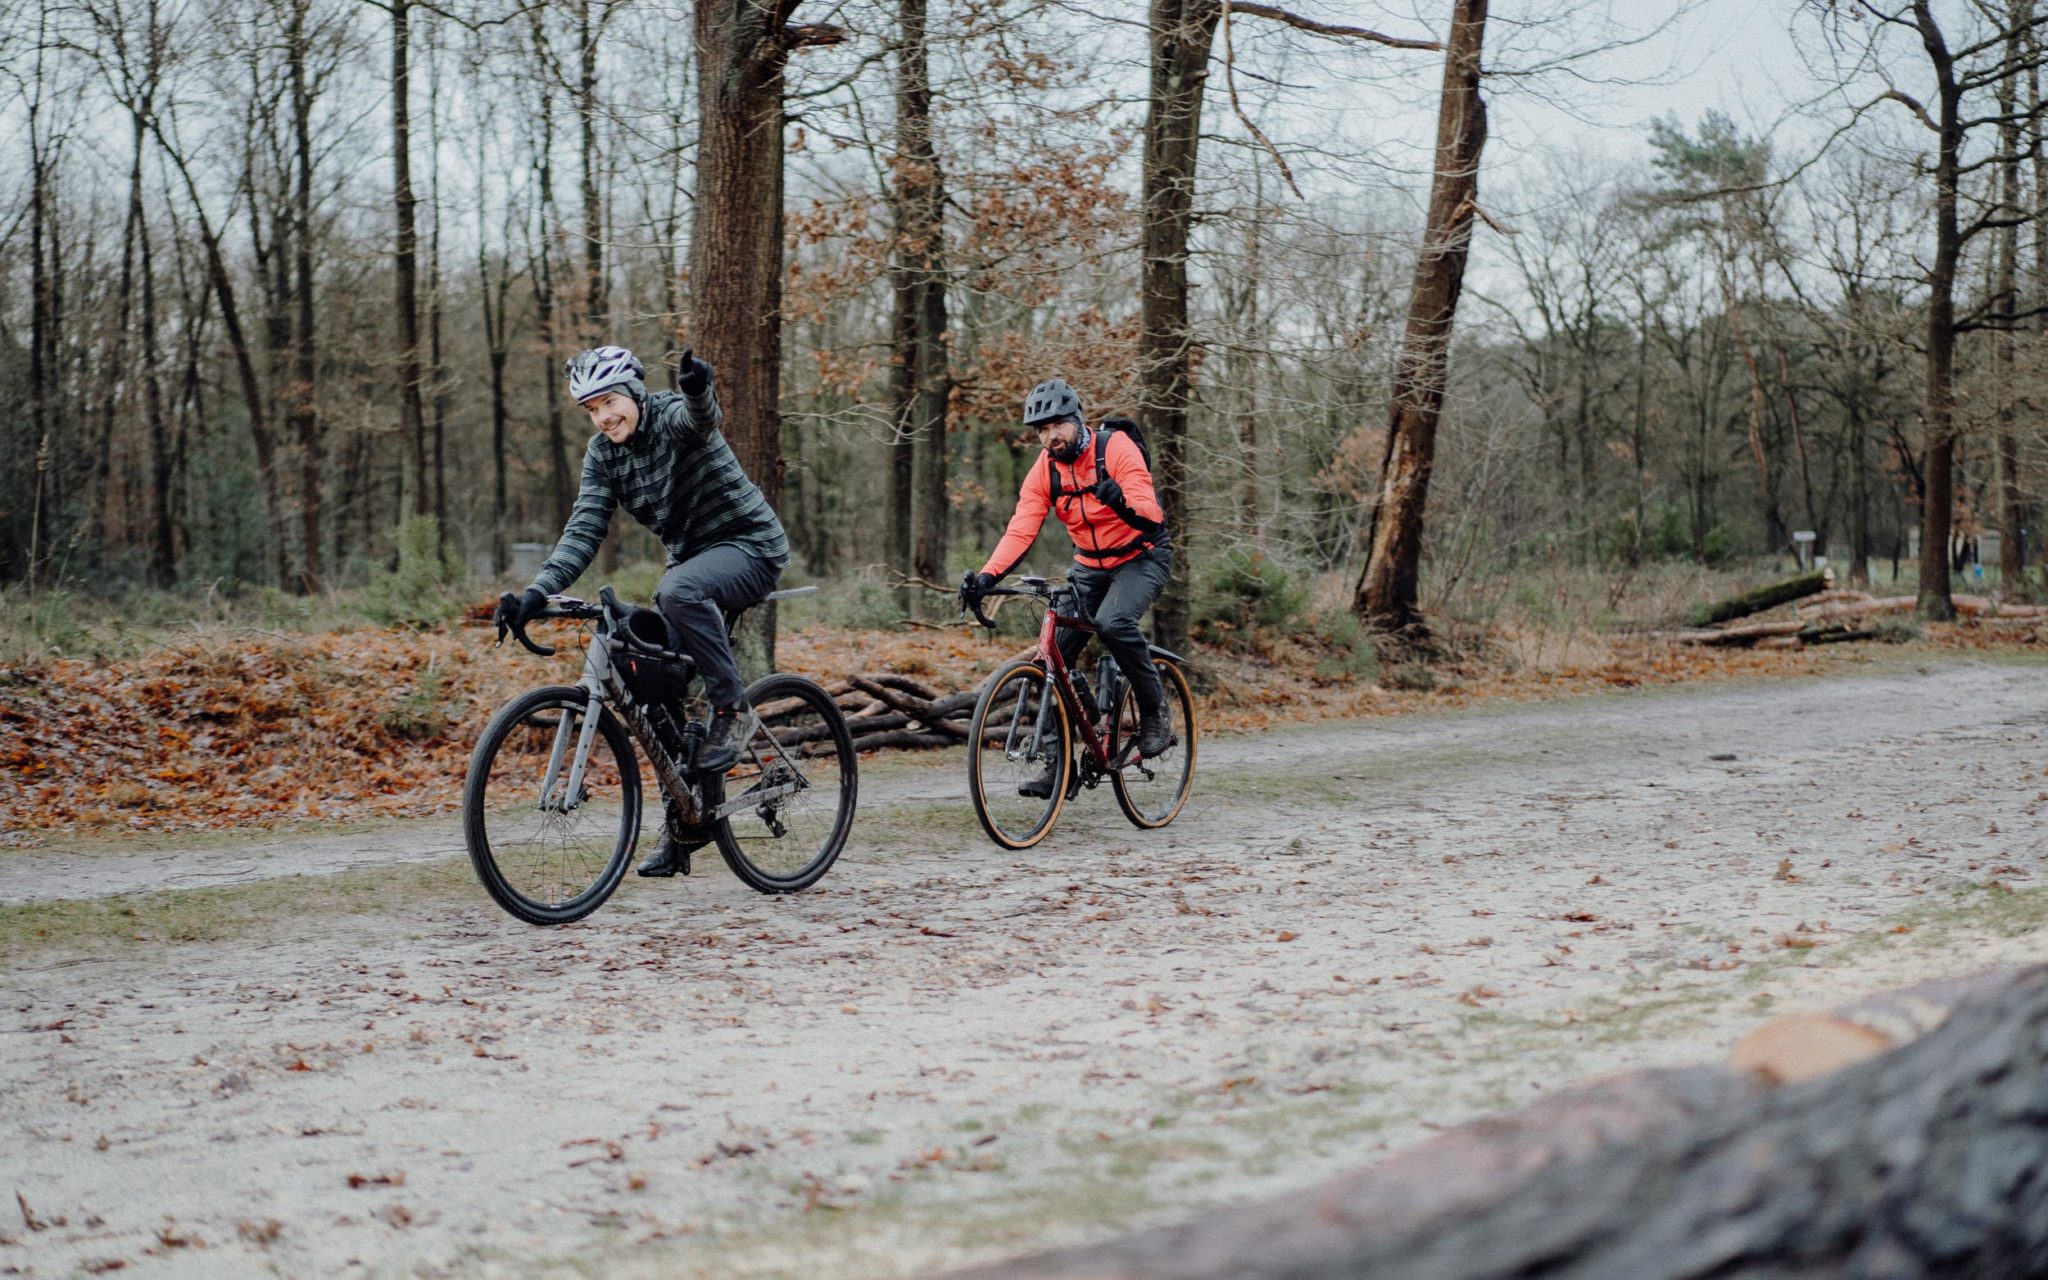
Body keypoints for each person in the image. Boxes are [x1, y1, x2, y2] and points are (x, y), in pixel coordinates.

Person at [493, 344, 790, 877]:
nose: (604, 416)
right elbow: (583, 529)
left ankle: (732, 711)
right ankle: (686, 824)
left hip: (750, 547)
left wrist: (699, 389)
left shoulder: (670, 416)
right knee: (650, 680)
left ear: (633, 393)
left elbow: (701, 419)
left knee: (676, 592)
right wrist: (536, 593)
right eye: (590, 408)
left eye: (609, 401)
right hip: (692, 566)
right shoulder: (603, 454)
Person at [960, 377, 1173, 798]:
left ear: (1076, 419)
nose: (1049, 436)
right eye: (1041, 429)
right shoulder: (1045, 469)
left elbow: (1151, 515)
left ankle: (1154, 710)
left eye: (1057, 424)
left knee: (1113, 624)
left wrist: (1120, 501)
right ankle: (1061, 766)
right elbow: (1021, 528)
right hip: (1090, 566)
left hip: (1141, 556)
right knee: (1052, 659)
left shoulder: (1115, 449)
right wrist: (987, 577)